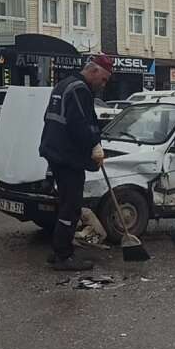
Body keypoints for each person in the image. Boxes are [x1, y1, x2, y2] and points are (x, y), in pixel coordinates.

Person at [39, 54, 113, 271]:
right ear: (94, 71)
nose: (103, 84)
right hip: (68, 157)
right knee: (71, 207)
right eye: (104, 79)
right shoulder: (80, 90)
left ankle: (57, 250)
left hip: (55, 152)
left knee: (64, 205)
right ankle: (64, 256)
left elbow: (50, 119)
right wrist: (94, 146)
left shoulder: (63, 85)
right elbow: (82, 124)